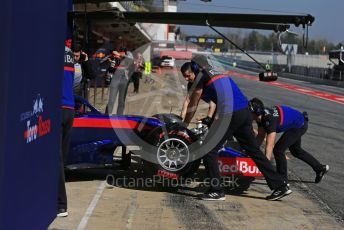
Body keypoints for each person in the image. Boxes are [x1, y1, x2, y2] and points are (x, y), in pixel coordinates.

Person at [180, 56, 290, 201]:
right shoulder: (216, 74)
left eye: (188, 76)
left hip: (231, 114)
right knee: (254, 151)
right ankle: (280, 185)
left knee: (208, 150)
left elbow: (193, 104)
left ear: (195, 70)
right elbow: (220, 99)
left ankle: (216, 190)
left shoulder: (201, 77)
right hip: (244, 112)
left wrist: (184, 125)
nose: (187, 79)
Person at [248, 98, 329, 184]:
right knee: (296, 151)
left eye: (250, 112)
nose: (248, 114)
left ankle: (282, 179)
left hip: (299, 124)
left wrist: (266, 169)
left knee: (278, 150)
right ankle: (320, 168)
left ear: (256, 113)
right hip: (296, 121)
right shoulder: (261, 117)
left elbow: (269, 146)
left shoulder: (269, 120)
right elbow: (260, 136)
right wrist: (250, 151)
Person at [58, 45, 75, 217]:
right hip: (70, 108)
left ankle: (61, 205)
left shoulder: (50, 49)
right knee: (60, 159)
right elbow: (77, 79)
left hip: (57, 107)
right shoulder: (69, 53)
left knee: (56, 159)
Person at [105, 50, 130, 115]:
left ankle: (120, 115)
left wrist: (121, 55)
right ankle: (107, 115)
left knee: (121, 101)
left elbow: (131, 60)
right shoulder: (113, 60)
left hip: (124, 80)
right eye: (115, 55)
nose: (116, 56)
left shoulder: (126, 59)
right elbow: (110, 69)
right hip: (114, 80)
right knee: (111, 100)